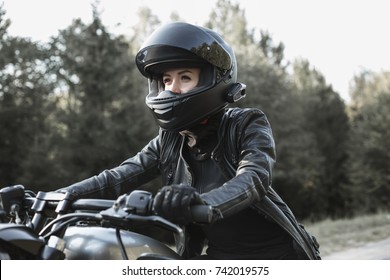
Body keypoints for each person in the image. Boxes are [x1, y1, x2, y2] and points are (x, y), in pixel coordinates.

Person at [57, 22, 320, 260]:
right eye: (166, 79)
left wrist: (200, 202)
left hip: (277, 258)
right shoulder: (169, 141)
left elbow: (253, 179)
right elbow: (116, 178)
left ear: (213, 80)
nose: (172, 88)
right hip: (219, 260)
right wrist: (51, 197)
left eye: (184, 77)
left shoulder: (246, 123)